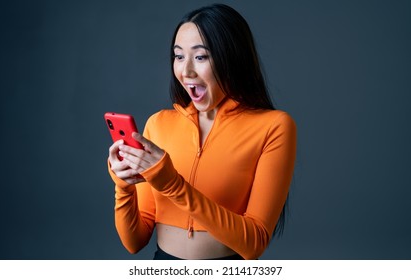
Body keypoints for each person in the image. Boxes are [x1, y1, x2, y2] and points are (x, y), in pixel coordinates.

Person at [107, 3, 296, 260]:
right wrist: (123, 184)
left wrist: (172, 183)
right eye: (179, 56)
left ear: (232, 58)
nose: (186, 72)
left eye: (200, 57)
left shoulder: (274, 126)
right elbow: (134, 241)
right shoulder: (158, 124)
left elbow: (254, 244)